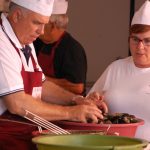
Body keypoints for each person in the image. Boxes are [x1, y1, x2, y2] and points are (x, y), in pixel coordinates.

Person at [0, 0, 107, 149]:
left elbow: (42, 85)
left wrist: (76, 100)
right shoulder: (2, 42)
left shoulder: (24, 37)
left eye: (45, 24)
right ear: (17, 16)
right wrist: (71, 113)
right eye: (37, 23)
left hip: (26, 136)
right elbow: (17, 104)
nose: (42, 31)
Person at [89, 0, 150, 141]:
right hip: (111, 145)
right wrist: (92, 101)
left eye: (148, 41)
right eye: (135, 39)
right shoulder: (116, 68)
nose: (140, 47)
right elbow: (89, 105)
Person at [34, 0, 87, 96]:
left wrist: (42, 79)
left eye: (42, 24)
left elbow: (78, 87)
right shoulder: (36, 42)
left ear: (53, 26)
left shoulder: (72, 49)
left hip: (67, 105)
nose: (38, 29)